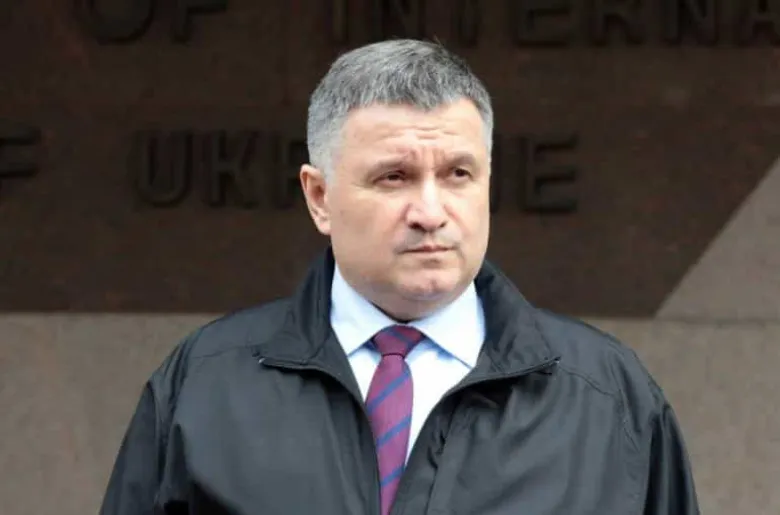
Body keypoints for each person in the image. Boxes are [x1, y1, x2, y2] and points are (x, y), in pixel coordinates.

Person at [99, 39, 700, 515]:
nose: (431, 212)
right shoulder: (207, 386)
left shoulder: (606, 399)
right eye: (394, 177)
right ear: (319, 197)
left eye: (459, 174)